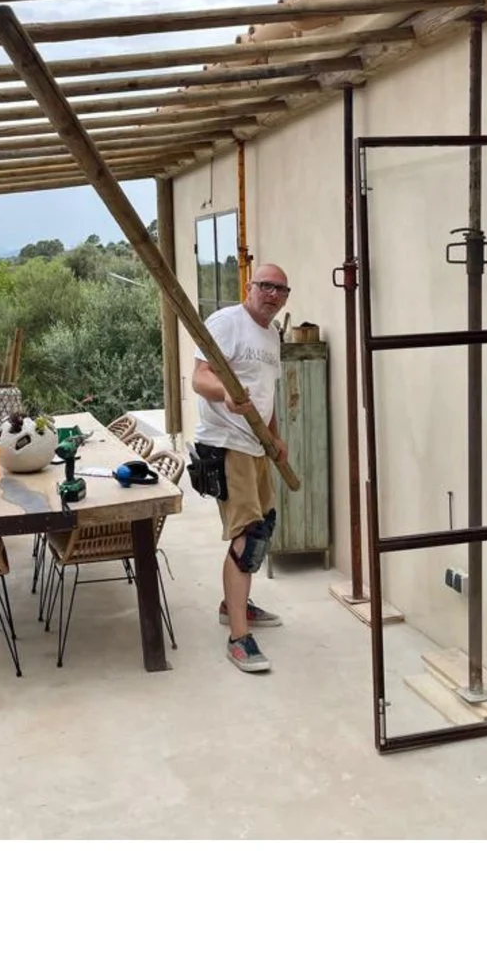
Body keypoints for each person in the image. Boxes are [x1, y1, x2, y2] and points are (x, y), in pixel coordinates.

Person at [191, 262, 292, 673]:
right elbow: (200, 378)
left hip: (255, 445)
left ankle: (233, 605)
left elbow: (266, 395)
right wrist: (227, 396)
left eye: (280, 290)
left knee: (263, 525)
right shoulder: (226, 322)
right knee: (246, 537)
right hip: (226, 441)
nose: (272, 294)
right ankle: (238, 637)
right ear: (249, 287)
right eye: (265, 286)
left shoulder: (271, 336)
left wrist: (275, 437)